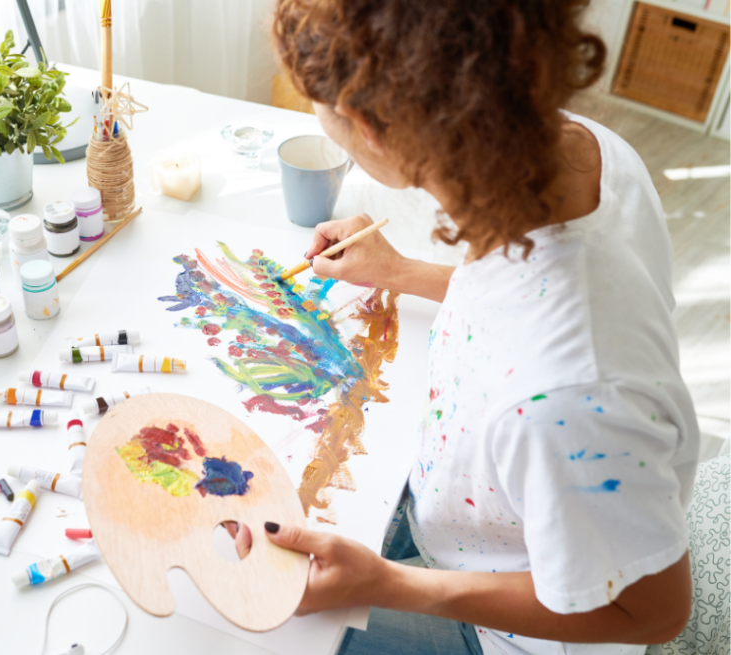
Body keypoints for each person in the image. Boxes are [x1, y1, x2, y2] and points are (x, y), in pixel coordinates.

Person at [260, 1, 702, 654]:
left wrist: (389, 584)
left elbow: (652, 610)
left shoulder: (570, 399)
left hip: (512, 627)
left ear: (366, 127)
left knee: (263, 625)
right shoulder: (571, 148)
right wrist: (402, 271)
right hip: (479, 512)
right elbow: (526, 311)